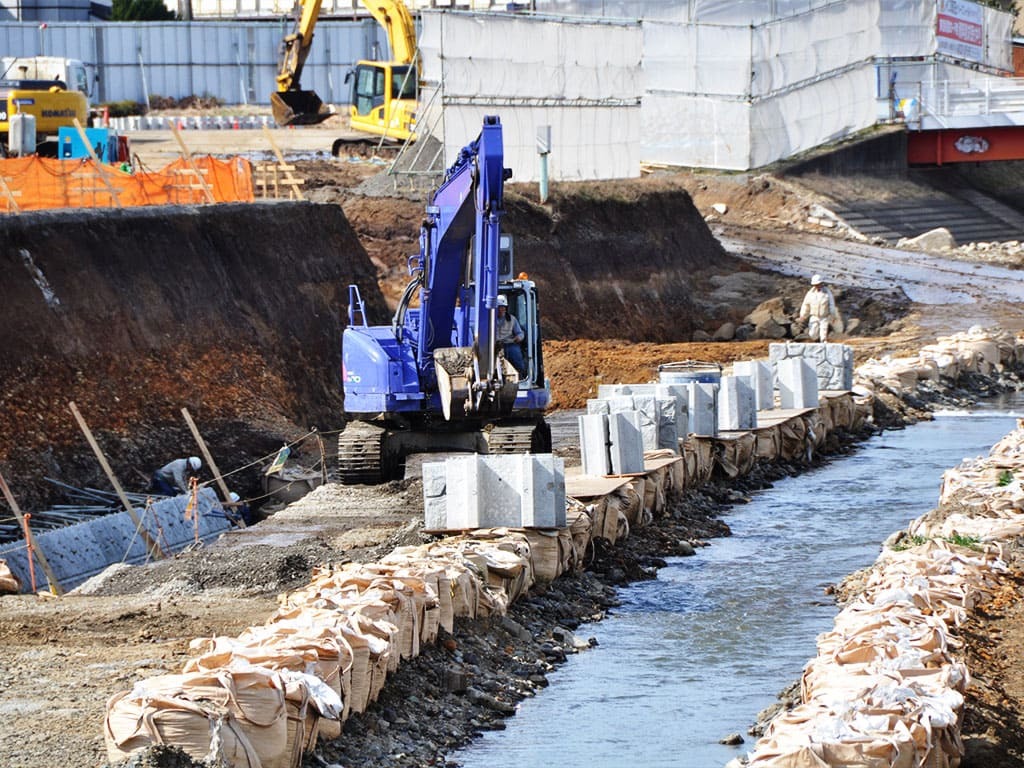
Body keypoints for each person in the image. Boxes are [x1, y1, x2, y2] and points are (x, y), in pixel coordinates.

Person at [798, 274, 840, 342]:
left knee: (823, 335)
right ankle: (814, 345)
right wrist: (803, 315)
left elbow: (831, 305)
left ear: (821, 283)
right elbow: (806, 305)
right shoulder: (810, 293)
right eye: (815, 284)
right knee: (812, 334)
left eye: (818, 284)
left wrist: (833, 316)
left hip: (824, 317)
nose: (817, 286)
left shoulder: (827, 293)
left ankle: (823, 344)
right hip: (814, 316)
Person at [495, 294, 527, 377]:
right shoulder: (489, 319)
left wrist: (519, 338)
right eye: (499, 307)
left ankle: (521, 376)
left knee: (517, 358)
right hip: (494, 346)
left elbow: (520, 333)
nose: (501, 309)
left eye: (503, 307)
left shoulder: (512, 319)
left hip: (509, 344)